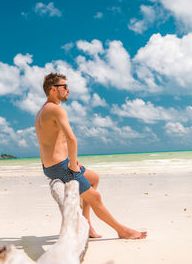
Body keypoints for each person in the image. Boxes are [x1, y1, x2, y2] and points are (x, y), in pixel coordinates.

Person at [34, 72, 147, 239]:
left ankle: (87, 225)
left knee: (94, 178)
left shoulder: (42, 111)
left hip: (52, 165)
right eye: (64, 87)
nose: (68, 90)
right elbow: (71, 138)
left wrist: (71, 159)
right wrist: (72, 165)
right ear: (53, 89)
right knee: (95, 197)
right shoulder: (57, 110)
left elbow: (53, 141)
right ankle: (122, 231)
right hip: (60, 168)